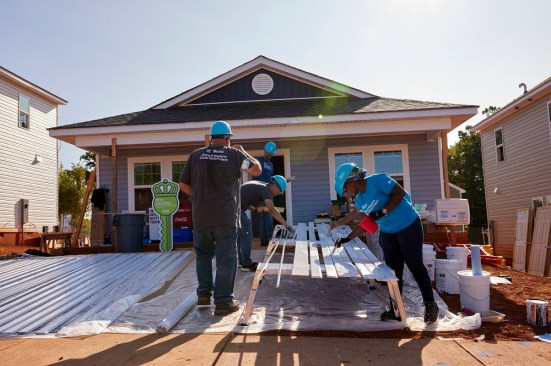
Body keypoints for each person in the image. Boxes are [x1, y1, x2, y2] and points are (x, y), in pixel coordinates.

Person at [333, 163, 439, 323]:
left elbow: (400, 193)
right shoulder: (360, 200)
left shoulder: (378, 180)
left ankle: (430, 306)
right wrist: (348, 238)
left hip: (408, 226)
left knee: (414, 264)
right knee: (392, 272)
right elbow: (367, 223)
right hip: (388, 233)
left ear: (351, 181)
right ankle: (395, 309)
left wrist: (383, 211)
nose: (346, 194)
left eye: (345, 189)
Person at [179, 120, 262, 316]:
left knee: (204, 256)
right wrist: (244, 152)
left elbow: (183, 184)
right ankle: (223, 302)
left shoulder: (196, 155)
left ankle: (204, 295)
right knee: (226, 259)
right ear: (228, 139)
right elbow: (256, 170)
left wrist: (199, 197)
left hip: (201, 216)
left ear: (211, 138)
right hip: (225, 216)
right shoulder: (234, 154)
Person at [238, 176, 294, 271]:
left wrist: (255, 209)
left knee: (242, 235)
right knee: (247, 230)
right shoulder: (266, 191)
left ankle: (242, 262)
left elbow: (244, 200)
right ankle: (246, 264)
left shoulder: (262, 186)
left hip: (232, 204)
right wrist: (287, 225)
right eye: (279, 191)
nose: (278, 194)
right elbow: (272, 210)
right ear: (275, 185)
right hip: (234, 206)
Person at [252, 141, 277, 246]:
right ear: (265, 151)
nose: (269, 155)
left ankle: (264, 239)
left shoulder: (271, 165)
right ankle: (271, 238)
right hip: (260, 191)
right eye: (268, 152)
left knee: (264, 216)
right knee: (268, 214)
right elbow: (254, 174)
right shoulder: (259, 161)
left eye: (271, 153)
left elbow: (270, 179)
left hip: (268, 192)